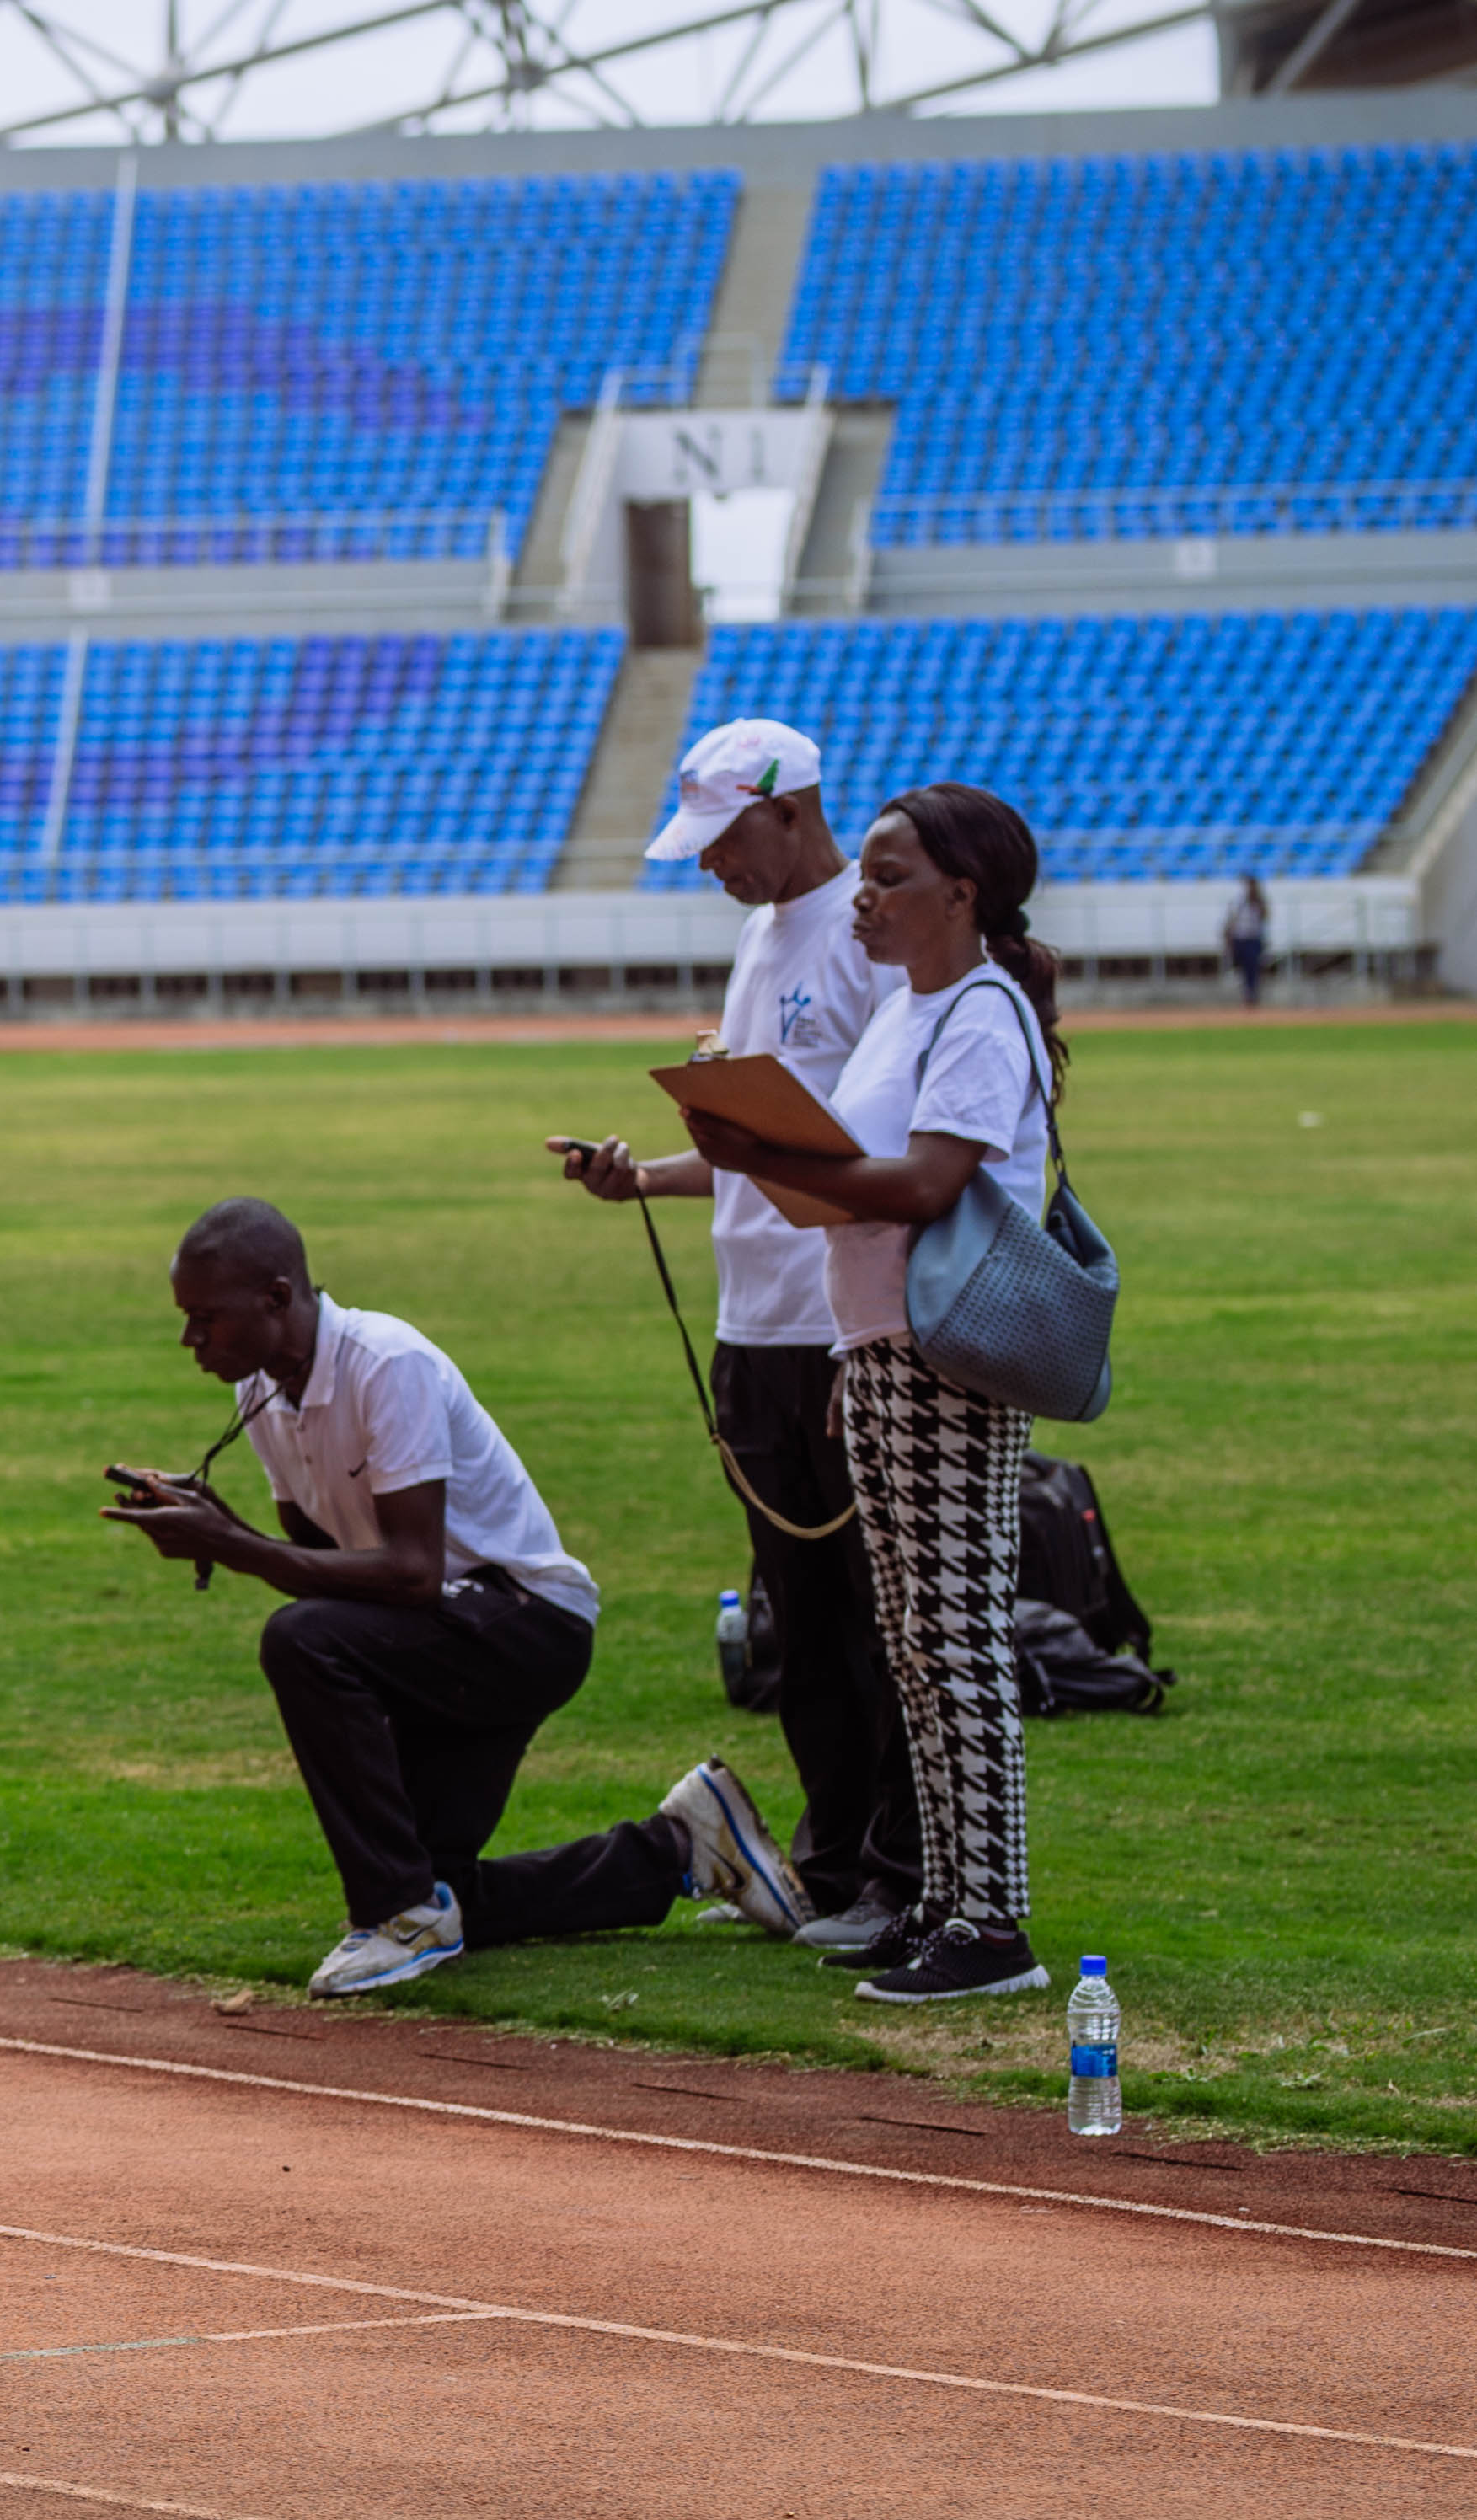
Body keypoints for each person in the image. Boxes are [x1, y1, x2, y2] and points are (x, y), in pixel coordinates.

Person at [103, 1199, 806, 1997]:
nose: (190, 1339)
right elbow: (327, 1565)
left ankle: (400, 1918)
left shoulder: (384, 1363)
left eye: (204, 1318)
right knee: (440, 1885)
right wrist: (217, 1528)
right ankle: (683, 1843)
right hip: (450, 1629)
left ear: (275, 1298)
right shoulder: (264, 1391)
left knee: (300, 1643)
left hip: (527, 1622)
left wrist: (232, 1546)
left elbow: (410, 1572)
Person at [680, 786, 1068, 2006]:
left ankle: (992, 1922)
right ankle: (938, 1899)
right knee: (907, 1639)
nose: (864, 893)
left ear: (960, 893)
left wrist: (768, 1152)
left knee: (954, 1642)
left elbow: (921, 1183)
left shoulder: (980, 1010)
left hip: (946, 1350)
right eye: (868, 874)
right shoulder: (911, 1010)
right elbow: (864, 1182)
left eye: (889, 876)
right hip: (880, 1344)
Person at [549, 718, 918, 1954]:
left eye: (723, 841)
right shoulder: (761, 940)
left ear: (792, 808)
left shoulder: (869, 940)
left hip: (837, 1322)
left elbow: (881, 1149)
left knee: (879, 1618)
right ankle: (826, 1861)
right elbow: (756, 1154)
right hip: (750, 1321)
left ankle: (897, 1874)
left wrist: (862, 1337)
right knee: (798, 1619)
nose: (711, 868)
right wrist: (639, 1177)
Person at [1224, 875, 1271, 1009]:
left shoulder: (1259, 901)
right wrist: (1228, 937)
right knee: (1242, 968)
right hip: (1240, 938)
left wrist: (1257, 901)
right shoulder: (1238, 901)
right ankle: (1247, 993)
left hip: (1253, 938)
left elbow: (1266, 916)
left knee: (1253, 967)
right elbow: (1231, 919)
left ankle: (1252, 995)